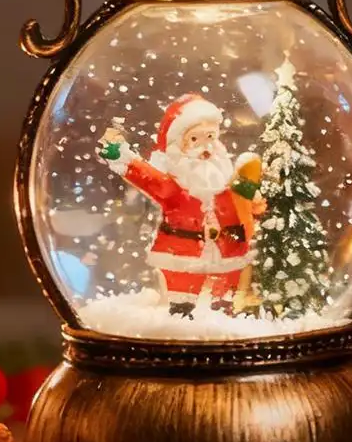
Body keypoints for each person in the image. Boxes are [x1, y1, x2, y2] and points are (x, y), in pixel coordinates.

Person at [100, 93, 264, 311]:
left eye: (210, 136)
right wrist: (121, 157)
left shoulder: (225, 182)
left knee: (225, 297)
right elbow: (147, 177)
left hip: (229, 253)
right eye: (194, 139)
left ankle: (223, 309)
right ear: (178, 145)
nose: (205, 147)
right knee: (182, 296)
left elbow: (245, 206)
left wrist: (256, 205)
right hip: (181, 251)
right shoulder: (174, 188)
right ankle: (182, 311)